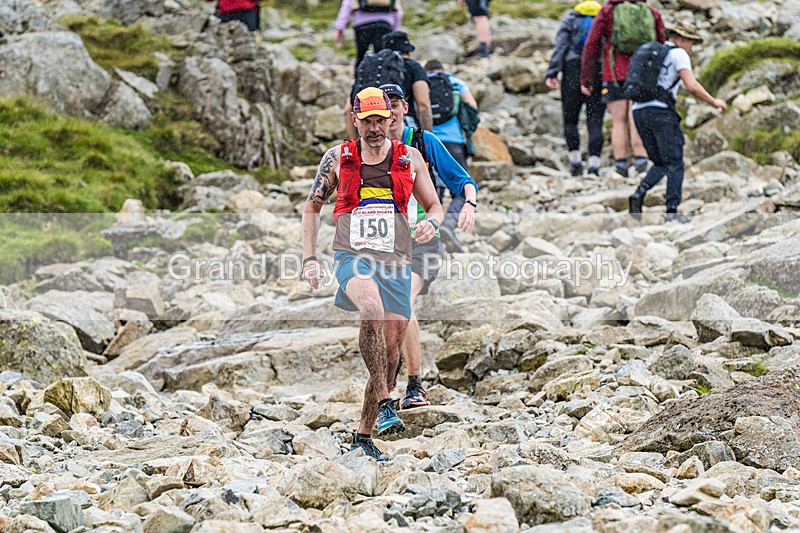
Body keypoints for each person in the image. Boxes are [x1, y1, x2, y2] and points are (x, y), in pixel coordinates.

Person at [302, 87, 443, 462]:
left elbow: (434, 205)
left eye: (381, 120)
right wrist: (309, 258)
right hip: (352, 256)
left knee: (390, 352)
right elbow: (312, 207)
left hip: (396, 261)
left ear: (391, 118)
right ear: (356, 120)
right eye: (367, 121)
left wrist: (431, 224)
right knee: (370, 309)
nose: (375, 127)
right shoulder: (338, 158)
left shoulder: (409, 157)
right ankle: (385, 397)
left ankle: (363, 435)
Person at [380, 83, 478, 408]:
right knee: (388, 309)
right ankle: (395, 377)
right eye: (383, 108)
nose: (389, 114)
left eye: (395, 105)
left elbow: (462, 180)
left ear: (405, 108)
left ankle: (412, 384)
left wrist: (469, 205)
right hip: (385, 243)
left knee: (401, 300)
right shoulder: (368, 149)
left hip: (424, 239)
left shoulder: (423, 142)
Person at [628, 23, 727, 222]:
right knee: (674, 162)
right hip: (660, 112)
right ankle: (672, 212)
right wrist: (713, 101)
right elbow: (691, 86)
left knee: (660, 162)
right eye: (691, 42)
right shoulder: (678, 54)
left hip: (639, 111)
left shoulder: (651, 53)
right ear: (681, 38)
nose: (692, 47)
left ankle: (639, 193)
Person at [580, 0, 665, 178]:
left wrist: (586, 77)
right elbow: (661, 42)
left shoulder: (608, 11)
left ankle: (621, 165)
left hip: (614, 72)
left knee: (618, 120)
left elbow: (592, 43)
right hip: (642, 73)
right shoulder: (650, 12)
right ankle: (641, 162)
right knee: (637, 116)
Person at [422, 59, 480, 246]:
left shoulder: (422, 84)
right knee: (462, 190)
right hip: (454, 141)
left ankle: (432, 233)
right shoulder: (456, 83)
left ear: (427, 70)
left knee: (432, 192)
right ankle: (448, 223)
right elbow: (472, 106)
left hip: (429, 141)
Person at [545, 1, 606, 177]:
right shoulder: (604, 18)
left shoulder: (571, 18)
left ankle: (576, 163)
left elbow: (561, 46)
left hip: (572, 69)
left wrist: (552, 72)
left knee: (570, 119)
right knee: (595, 120)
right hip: (597, 69)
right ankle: (594, 166)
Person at [345, 31, 432, 139]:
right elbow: (423, 105)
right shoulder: (412, 66)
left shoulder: (369, 69)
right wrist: (426, 138)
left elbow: (348, 110)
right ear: (408, 51)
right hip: (402, 130)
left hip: (373, 131)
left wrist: (355, 142)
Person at [334, 0, 403, 70]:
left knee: (361, 57)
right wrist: (396, 30)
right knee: (383, 57)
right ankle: (382, 75)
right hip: (384, 25)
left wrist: (340, 27)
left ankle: (359, 75)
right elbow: (398, 10)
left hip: (362, 25)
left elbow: (346, 6)